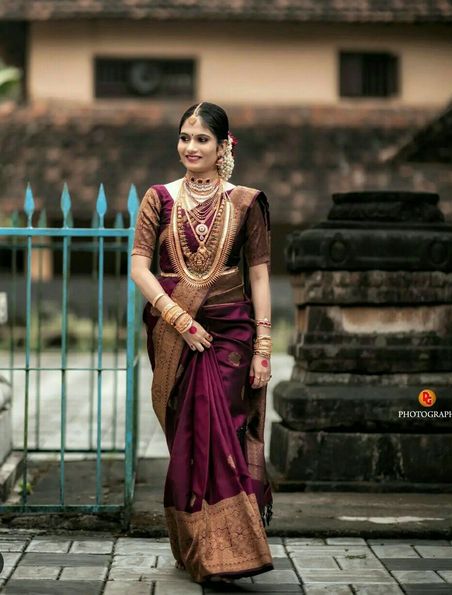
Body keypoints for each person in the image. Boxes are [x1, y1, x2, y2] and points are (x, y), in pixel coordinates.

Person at [130, 101, 274, 584]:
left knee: (223, 433)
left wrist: (264, 347)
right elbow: (139, 268)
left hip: (231, 333)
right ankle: (197, 546)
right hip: (176, 335)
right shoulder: (159, 198)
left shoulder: (245, 202)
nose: (190, 147)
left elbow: (258, 276)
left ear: (223, 146)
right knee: (188, 437)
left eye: (201, 139)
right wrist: (179, 320)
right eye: (184, 137)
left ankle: (228, 553)